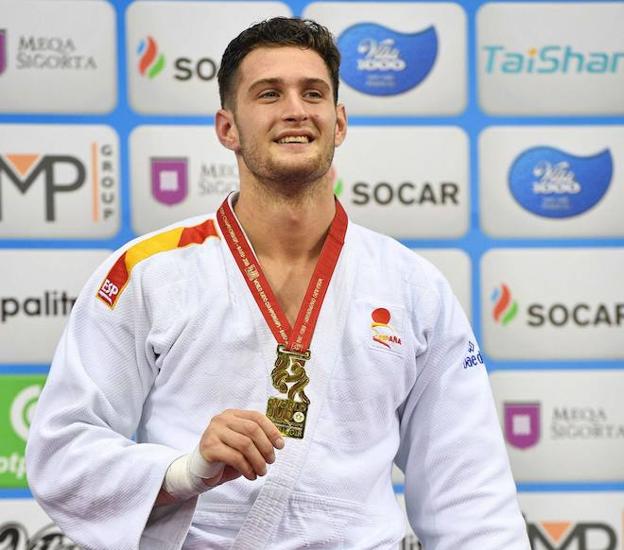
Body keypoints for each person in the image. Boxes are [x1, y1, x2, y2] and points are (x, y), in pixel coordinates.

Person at [26, 17, 530, 550]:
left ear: (338, 122)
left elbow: (471, 492)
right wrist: (182, 471)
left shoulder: (411, 286)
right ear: (228, 128)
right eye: (269, 93)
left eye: (312, 93)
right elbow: (62, 452)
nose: (295, 109)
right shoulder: (150, 272)